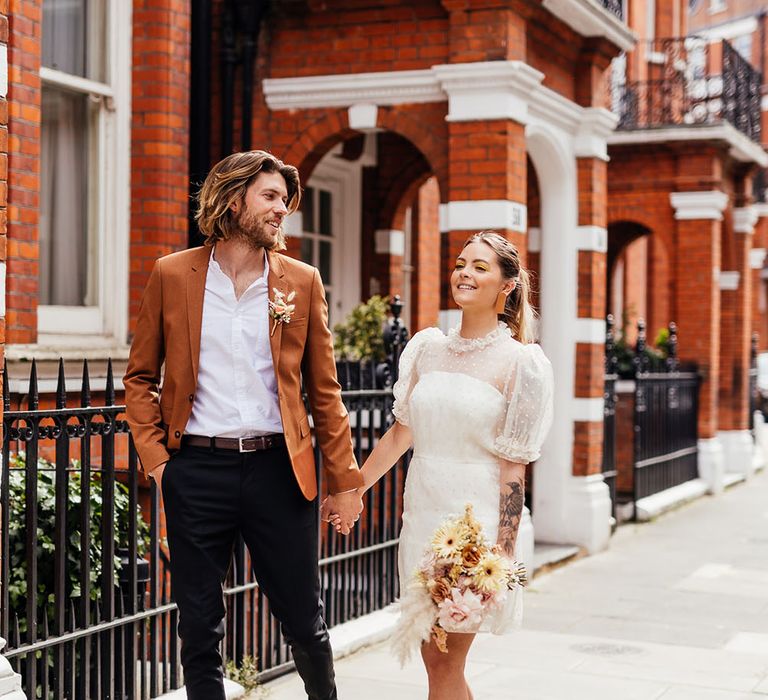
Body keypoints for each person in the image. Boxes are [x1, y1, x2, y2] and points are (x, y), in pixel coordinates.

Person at [124, 150, 364, 700]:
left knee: (303, 617)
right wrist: (159, 463)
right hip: (197, 470)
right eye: (271, 197)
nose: (282, 210)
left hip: (280, 470)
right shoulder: (171, 274)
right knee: (198, 622)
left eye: (286, 200)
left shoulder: (300, 282)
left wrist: (346, 483)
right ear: (233, 199)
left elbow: (324, 392)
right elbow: (139, 378)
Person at [326, 231, 553, 700]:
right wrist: (354, 489)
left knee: (443, 660)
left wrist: (502, 555)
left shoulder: (520, 363)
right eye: (460, 263)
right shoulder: (426, 348)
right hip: (422, 515)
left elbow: (514, 468)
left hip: (473, 528)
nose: (465, 273)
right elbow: (399, 435)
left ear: (507, 285)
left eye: (480, 267)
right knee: (437, 658)